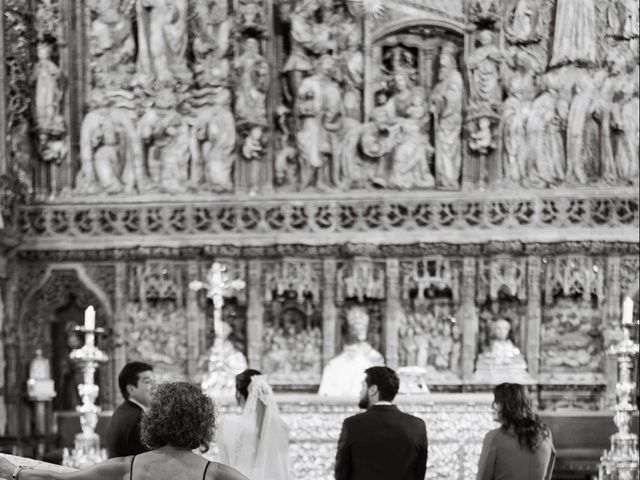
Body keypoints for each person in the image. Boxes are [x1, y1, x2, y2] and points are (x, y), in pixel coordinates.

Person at [0, 382, 248, 480]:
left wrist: (14, 471)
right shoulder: (215, 473)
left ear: (155, 419)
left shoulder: (126, 466)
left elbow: (60, 479)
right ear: (202, 423)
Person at [335, 366, 428, 480]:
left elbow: (342, 473)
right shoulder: (417, 425)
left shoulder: (352, 424)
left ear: (373, 389)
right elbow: (420, 472)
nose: (360, 392)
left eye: (363, 386)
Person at [218, 369, 291, 480]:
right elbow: (281, 467)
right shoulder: (280, 426)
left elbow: (224, 464)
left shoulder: (226, 424)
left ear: (238, 393)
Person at [477, 383, 556, 480]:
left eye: (496, 402)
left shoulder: (494, 437)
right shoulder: (545, 434)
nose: (493, 407)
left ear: (503, 406)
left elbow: (483, 477)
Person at [107, 362, 155, 458]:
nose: (154, 387)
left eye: (154, 382)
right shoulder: (139, 418)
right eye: (148, 382)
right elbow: (148, 460)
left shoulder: (121, 411)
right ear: (131, 389)